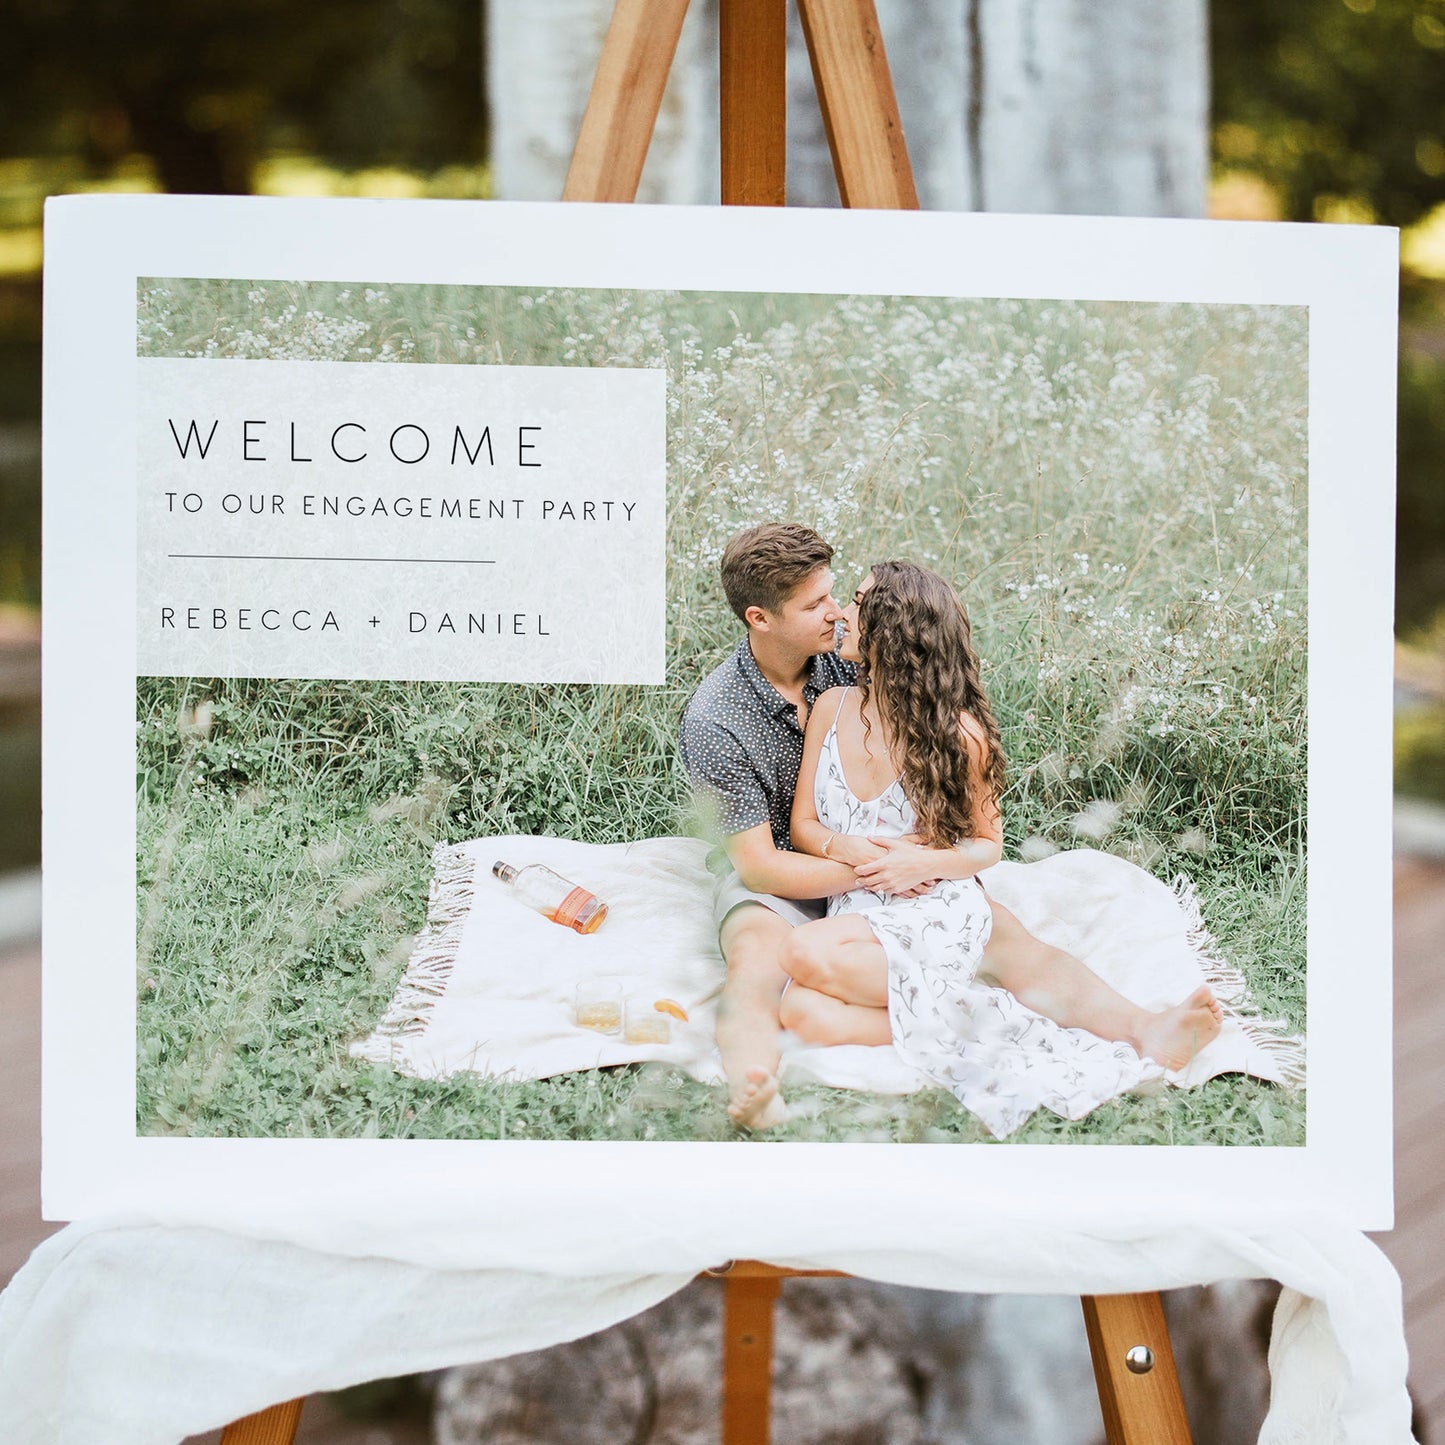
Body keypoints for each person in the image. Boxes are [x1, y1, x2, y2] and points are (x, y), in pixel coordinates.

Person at [679, 526, 1218, 1130]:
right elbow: (760, 864)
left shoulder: (847, 657)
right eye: (816, 605)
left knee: (1008, 940)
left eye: (839, 597)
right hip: (786, 869)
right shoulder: (717, 718)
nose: (835, 615)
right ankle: (758, 1088)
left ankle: (1146, 1028)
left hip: (898, 873)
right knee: (760, 963)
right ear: (761, 618)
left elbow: (936, 712)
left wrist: (920, 863)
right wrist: (880, 868)